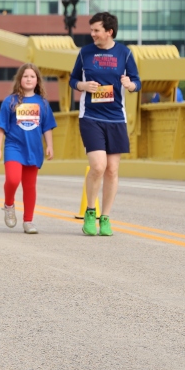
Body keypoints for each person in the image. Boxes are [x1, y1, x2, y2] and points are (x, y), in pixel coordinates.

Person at [70, 12, 140, 237]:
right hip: (90, 116)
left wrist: (130, 84)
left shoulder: (124, 53)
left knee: (112, 170)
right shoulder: (85, 53)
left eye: (96, 30)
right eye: (91, 30)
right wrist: (82, 86)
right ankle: (91, 211)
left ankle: (106, 217)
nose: (92, 34)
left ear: (109, 32)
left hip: (116, 117)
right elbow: (72, 79)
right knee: (98, 166)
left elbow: (137, 81)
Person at [0, 63, 56, 234]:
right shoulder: (10, 101)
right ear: (20, 79)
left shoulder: (42, 103)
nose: (29, 79)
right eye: (25, 76)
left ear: (37, 81)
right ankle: (9, 204)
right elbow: (1, 127)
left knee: (30, 186)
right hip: (14, 146)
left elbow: (47, 127)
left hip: (34, 148)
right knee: (13, 179)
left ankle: (28, 221)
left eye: (32, 76)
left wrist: (49, 145)